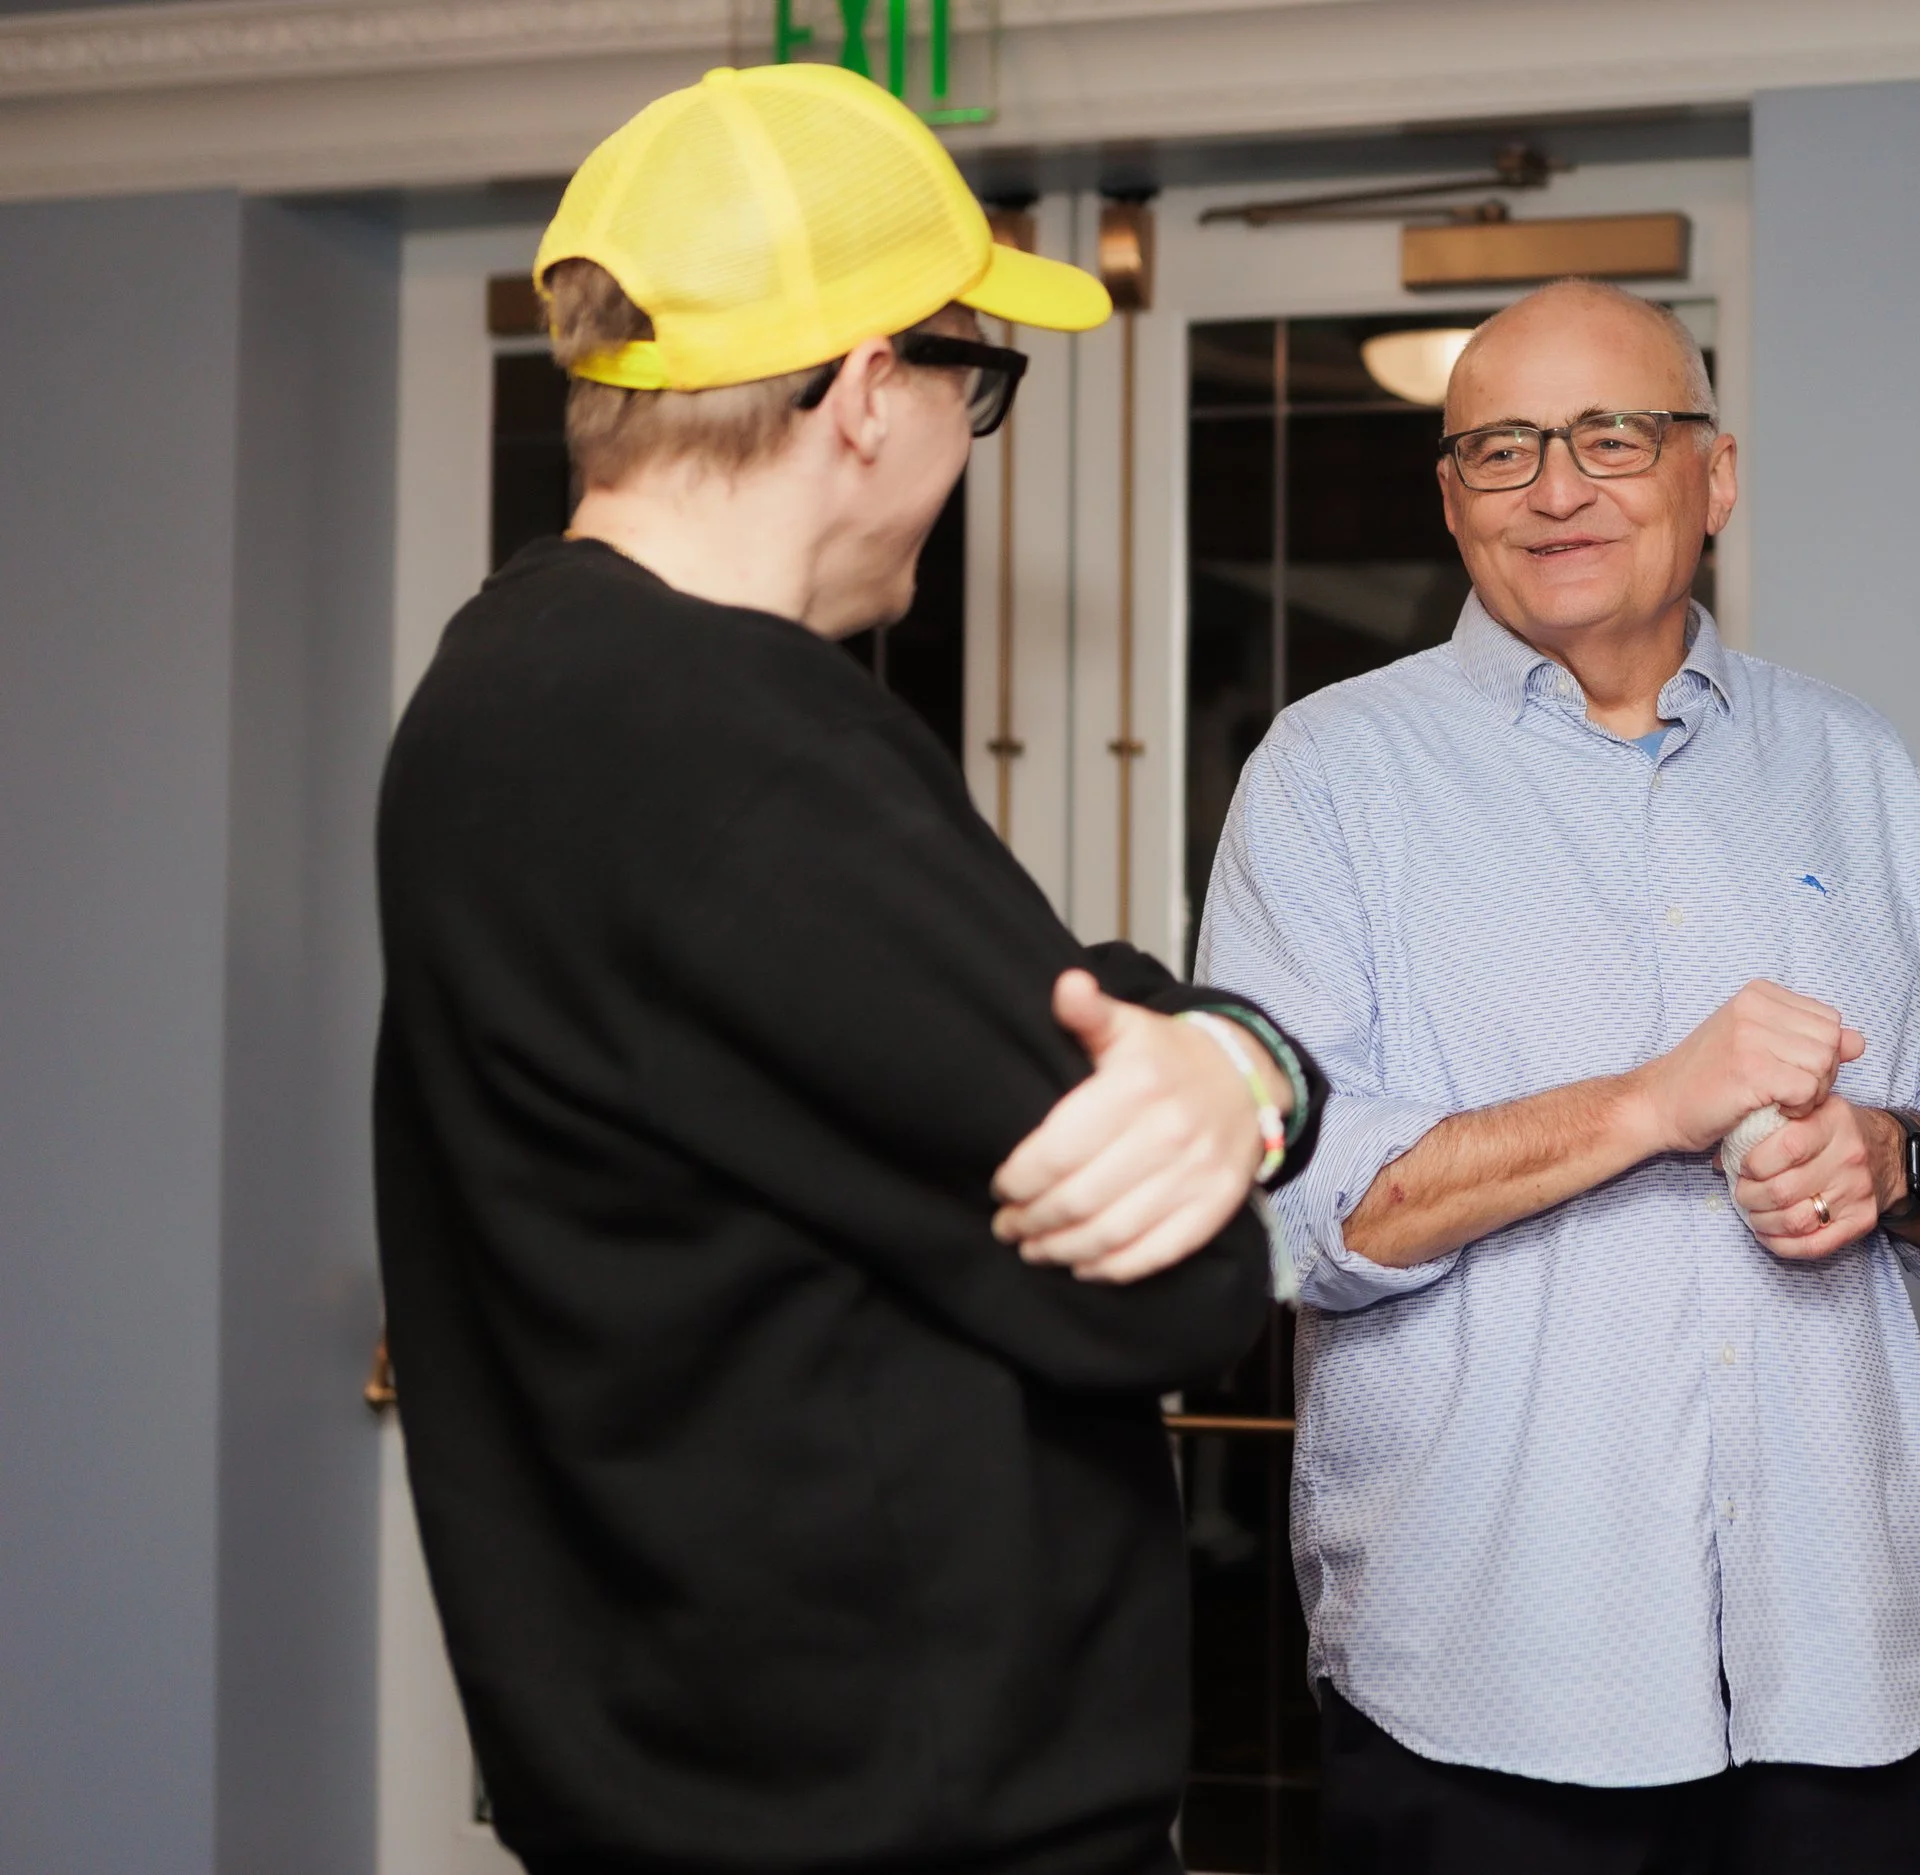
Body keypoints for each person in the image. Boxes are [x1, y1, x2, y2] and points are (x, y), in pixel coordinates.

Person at [375, 64, 1326, 1875]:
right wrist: (1245, 1067)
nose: (970, 445)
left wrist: (1196, 1044)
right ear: (874, 390)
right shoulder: (748, 742)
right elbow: (1178, 1285)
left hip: (666, 1794)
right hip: (913, 1828)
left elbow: (912, 1046)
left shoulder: (496, 693)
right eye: (980, 385)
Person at [1195, 279, 1920, 1875]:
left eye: (1612, 435)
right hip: (1487, 1696)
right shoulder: (1328, 779)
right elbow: (1291, 1207)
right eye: (1502, 448)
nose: (1556, 488)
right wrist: (1645, 1107)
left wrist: (1891, 1159)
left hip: (1846, 1689)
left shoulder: (1852, 765)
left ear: (1714, 476)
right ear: (1452, 497)